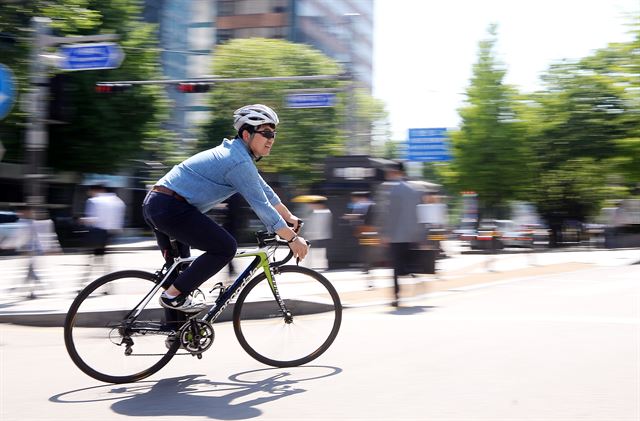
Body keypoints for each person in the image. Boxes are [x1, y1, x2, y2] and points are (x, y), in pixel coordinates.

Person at [142, 104, 308, 314]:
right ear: (247, 134)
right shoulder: (238, 161)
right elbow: (261, 205)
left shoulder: (238, 156)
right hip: (170, 208)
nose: (271, 139)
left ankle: (175, 335)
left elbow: (265, 191)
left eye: (273, 134)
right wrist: (292, 239)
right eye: (266, 133)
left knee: (182, 277)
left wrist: (289, 216)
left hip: (159, 205)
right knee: (225, 248)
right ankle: (172, 296)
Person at [379, 161, 422, 307]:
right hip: (412, 234)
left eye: (390, 172)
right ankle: (413, 275)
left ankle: (396, 297)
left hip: (397, 235)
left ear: (396, 172)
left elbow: (393, 214)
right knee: (406, 263)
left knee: (396, 267)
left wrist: (386, 233)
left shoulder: (394, 191)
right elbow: (418, 213)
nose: (388, 174)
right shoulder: (414, 190)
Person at [81, 184, 126, 284]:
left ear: (97, 190)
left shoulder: (94, 201)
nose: (90, 194)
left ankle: (84, 284)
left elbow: (92, 219)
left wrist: (82, 221)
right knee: (104, 261)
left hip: (96, 233)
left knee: (91, 261)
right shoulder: (117, 201)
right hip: (109, 235)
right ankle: (107, 285)